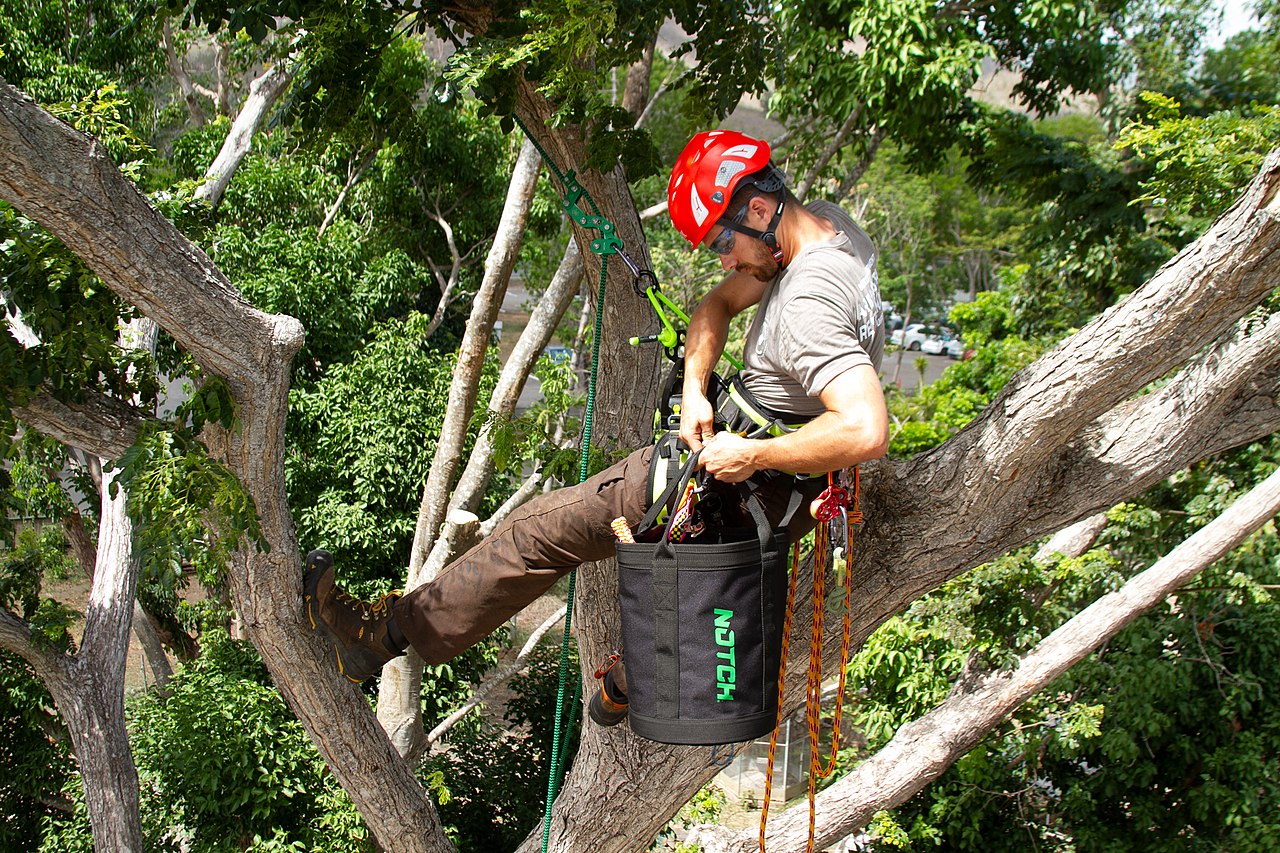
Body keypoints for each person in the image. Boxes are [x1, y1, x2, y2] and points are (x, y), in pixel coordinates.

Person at [303, 129, 889, 726]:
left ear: (758, 209)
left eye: (721, 241)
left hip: (726, 483)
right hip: (773, 497)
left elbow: (867, 430)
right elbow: (714, 306)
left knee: (533, 535)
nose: (726, 259)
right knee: (675, 566)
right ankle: (626, 684)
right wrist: (692, 392)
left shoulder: (807, 301)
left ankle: (375, 640)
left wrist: (751, 456)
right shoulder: (826, 229)